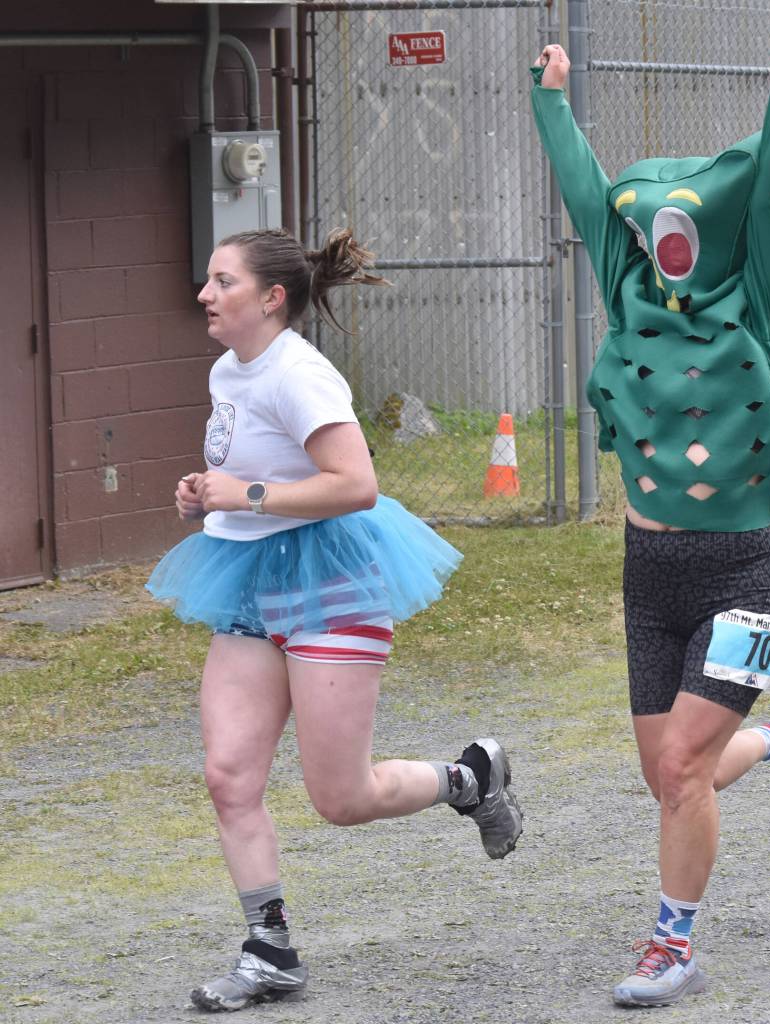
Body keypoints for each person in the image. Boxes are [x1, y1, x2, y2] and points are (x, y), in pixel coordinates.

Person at [146, 228, 523, 1012]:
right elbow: (253, 473)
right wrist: (207, 492)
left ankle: (468, 777)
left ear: (270, 297)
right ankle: (270, 951)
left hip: (332, 581)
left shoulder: (300, 376)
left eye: (221, 282)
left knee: (340, 799)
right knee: (228, 777)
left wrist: (243, 495)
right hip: (249, 580)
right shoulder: (229, 369)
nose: (204, 295)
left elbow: (354, 484)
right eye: (208, 280)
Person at [531, 25, 770, 1008]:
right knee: (668, 772)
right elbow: (585, 205)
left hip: (746, 572)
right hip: (648, 579)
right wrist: (552, 102)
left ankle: (673, 944)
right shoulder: (627, 301)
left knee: (684, 765)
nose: (668, 250)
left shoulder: (760, 307)